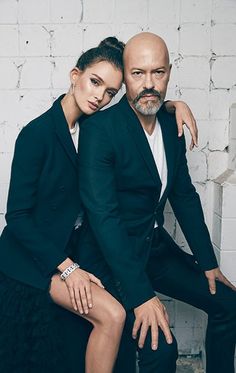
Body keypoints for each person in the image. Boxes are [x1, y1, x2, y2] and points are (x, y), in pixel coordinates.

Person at [0, 36, 197, 373]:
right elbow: (16, 217)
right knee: (113, 314)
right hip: (34, 259)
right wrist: (68, 267)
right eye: (94, 82)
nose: (99, 96)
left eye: (109, 92)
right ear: (75, 75)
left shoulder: (95, 127)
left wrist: (172, 105)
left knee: (115, 317)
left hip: (72, 250)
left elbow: (137, 109)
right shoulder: (37, 134)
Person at [78, 32, 236, 373]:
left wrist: (208, 262)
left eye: (158, 72)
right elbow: (104, 218)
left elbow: (183, 194)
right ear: (125, 77)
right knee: (162, 351)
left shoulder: (170, 121)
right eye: (138, 74)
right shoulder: (100, 130)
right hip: (111, 260)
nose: (149, 84)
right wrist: (141, 295)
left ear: (168, 72)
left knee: (229, 304)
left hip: (154, 249)